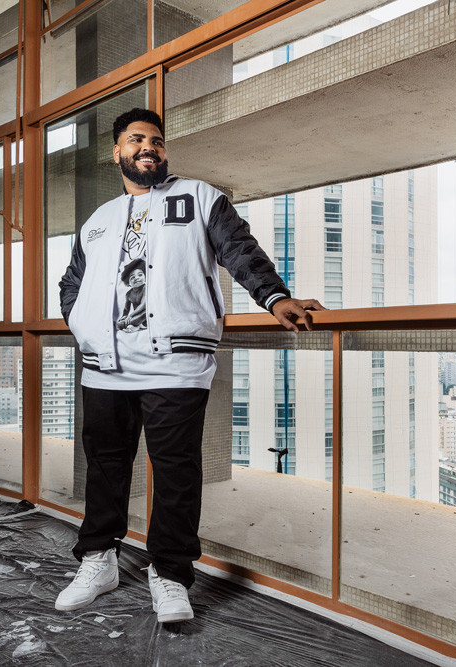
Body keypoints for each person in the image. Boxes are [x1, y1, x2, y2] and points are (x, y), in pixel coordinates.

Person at [55, 108, 324, 623]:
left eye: (156, 140)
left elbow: (240, 251)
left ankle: (171, 575)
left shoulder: (200, 198)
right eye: (136, 140)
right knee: (106, 468)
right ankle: (98, 561)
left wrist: (275, 298)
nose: (148, 147)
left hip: (176, 362)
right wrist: (83, 323)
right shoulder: (98, 220)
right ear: (117, 152)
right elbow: (73, 283)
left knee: (176, 473)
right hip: (103, 364)